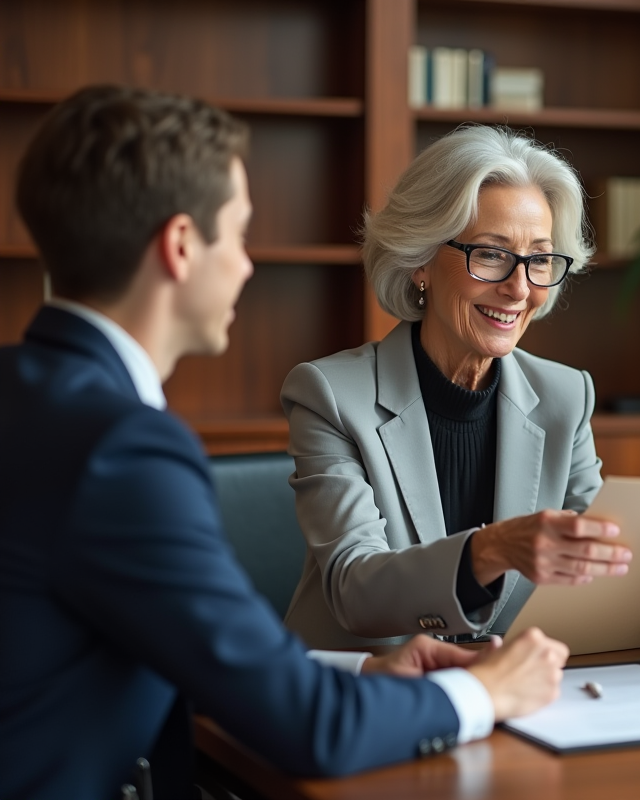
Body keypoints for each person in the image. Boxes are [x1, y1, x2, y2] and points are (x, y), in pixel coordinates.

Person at [0, 85, 569, 800]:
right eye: (236, 235)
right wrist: (488, 692)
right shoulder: (125, 453)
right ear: (180, 247)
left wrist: (360, 671)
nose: (245, 264)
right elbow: (312, 730)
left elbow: (152, 650)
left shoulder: (24, 396)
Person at [281, 125, 631, 650]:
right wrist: (491, 549)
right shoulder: (331, 395)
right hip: (367, 694)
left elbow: (603, 568)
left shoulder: (565, 396)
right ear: (419, 258)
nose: (519, 288)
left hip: (509, 693)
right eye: (490, 254)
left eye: (539, 259)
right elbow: (356, 589)